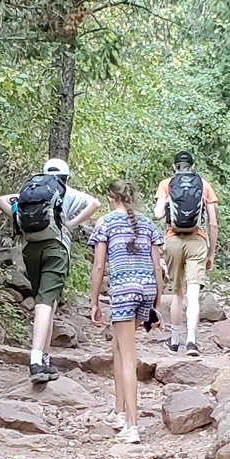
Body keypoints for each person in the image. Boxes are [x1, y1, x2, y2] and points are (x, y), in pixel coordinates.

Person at [0, 158, 101, 382]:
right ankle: (35, 360)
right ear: (65, 176)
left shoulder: (31, 192)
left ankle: (44, 358)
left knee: (46, 301)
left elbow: (0, 200)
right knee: (45, 302)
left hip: (31, 249)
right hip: (56, 248)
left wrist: (17, 216)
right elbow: (95, 203)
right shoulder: (66, 192)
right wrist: (71, 224)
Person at [88, 180, 164, 444]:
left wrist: (94, 301)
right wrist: (156, 304)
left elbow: (99, 267)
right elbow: (157, 269)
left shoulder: (105, 223)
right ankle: (119, 412)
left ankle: (132, 426)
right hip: (146, 288)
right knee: (119, 349)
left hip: (123, 289)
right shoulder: (147, 224)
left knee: (129, 357)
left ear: (111, 198)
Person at [152, 150, 218, 356]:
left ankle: (174, 342)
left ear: (175, 167)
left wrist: (165, 204)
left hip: (173, 240)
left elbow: (158, 214)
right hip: (197, 240)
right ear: (192, 166)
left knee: (178, 293)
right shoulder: (203, 184)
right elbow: (213, 223)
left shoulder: (167, 184)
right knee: (194, 294)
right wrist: (211, 253)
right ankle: (191, 341)